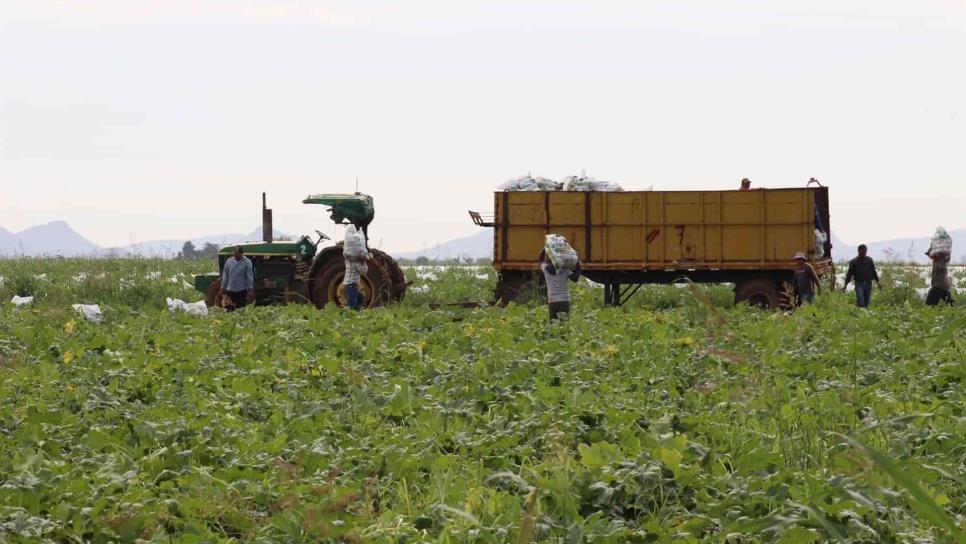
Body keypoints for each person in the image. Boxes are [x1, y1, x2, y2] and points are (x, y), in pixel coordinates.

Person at [539, 249, 581, 322]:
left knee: (553, 326)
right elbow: (575, 278)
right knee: (564, 325)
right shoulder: (565, 270)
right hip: (564, 300)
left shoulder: (545, 269)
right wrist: (577, 262)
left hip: (552, 301)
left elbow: (540, 260)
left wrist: (545, 248)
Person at [219, 245, 254, 311]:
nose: (236, 255)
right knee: (228, 309)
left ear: (242, 254)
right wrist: (223, 287)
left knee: (241, 310)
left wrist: (250, 289)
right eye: (235, 253)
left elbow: (249, 277)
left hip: (241, 290)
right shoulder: (229, 261)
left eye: (238, 254)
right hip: (230, 290)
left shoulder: (247, 262)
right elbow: (225, 275)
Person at [925, 231, 954, 306]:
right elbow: (929, 254)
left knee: (929, 306)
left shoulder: (941, 257)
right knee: (947, 307)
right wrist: (933, 246)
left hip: (938, 286)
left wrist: (934, 248)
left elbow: (940, 266)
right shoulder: (940, 256)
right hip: (942, 286)